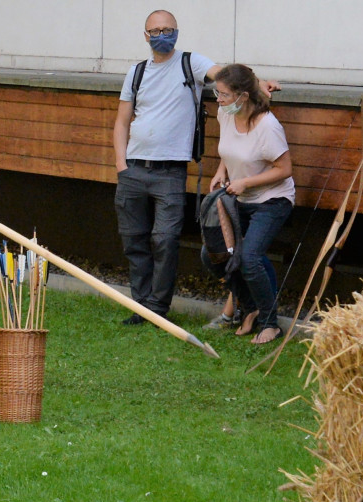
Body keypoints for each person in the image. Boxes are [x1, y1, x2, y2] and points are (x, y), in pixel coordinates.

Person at [113, 9, 277, 325]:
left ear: (177, 31)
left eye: (168, 29)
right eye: (156, 30)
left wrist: (259, 84)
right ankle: (141, 306)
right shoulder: (136, 72)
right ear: (146, 36)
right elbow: (121, 122)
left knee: (165, 240)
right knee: (134, 239)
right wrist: (121, 165)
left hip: (170, 172)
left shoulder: (192, 63)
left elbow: (230, 77)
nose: (163, 35)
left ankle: (158, 309)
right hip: (133, 169)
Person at [201, 64, 294, 345]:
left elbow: (285, 169)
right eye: (217, 93)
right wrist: (222, 171)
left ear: (243, 96)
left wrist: (246, 183)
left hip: (272, 200)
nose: (219, 100)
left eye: (224, 95)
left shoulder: (267, 126)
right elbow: (231, 149)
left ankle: (270, 323)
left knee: (250, 258)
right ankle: (248, 307)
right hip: (238, 196)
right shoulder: (226, 114)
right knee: (213, 254)